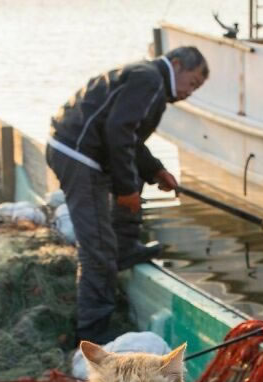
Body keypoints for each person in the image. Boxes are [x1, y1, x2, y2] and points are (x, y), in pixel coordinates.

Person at [46, 46, 209, 344]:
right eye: (192, 83)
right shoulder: (149, 81)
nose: (190, 92)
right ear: (176, 64)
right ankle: (93, 334)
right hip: (79, 157)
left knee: (129, 182)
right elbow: (118, 133)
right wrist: (126, 190)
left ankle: (125, 246)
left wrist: (156, 171)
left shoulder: (147, 76)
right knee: (97, 248)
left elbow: (130, 139)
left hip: (81, 151)